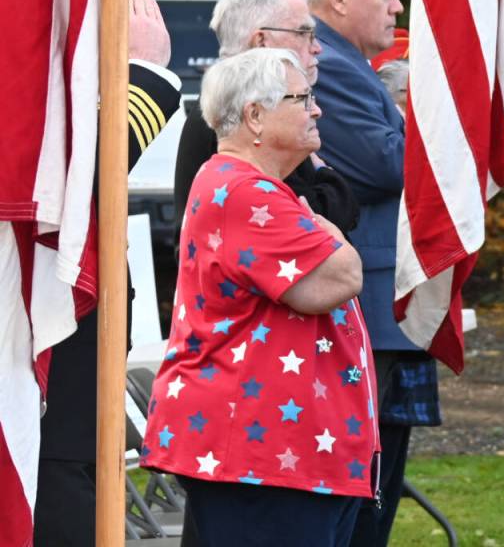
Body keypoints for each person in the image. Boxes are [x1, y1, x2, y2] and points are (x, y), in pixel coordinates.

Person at [140, 48, 377, 547]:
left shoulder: (246, 185)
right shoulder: (246, 192)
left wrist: (325, 234)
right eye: (302, 98)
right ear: (254, 116)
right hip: (262, 456)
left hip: (271, 454)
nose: (317, 109)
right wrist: (333, 239)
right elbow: (339, 279)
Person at [35, 0, 182, 546]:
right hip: (49, 331)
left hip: (70, 333)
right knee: (59, 483)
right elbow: (65, 186)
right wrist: (143, 79)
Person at [305, 0, 440, 545]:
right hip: (368, 303)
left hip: (383, 302)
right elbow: (389, 166)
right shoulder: (328, 65)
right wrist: (418, 120)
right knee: (364, 491)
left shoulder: (349, 65)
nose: (398, 6)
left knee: (378, 483)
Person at [173, 0, 360, 240]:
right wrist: (324, 172)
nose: (317, 47)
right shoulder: (239, 112)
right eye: (304, 32)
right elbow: (319, 219)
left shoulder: (256, 104)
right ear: (262, 41)